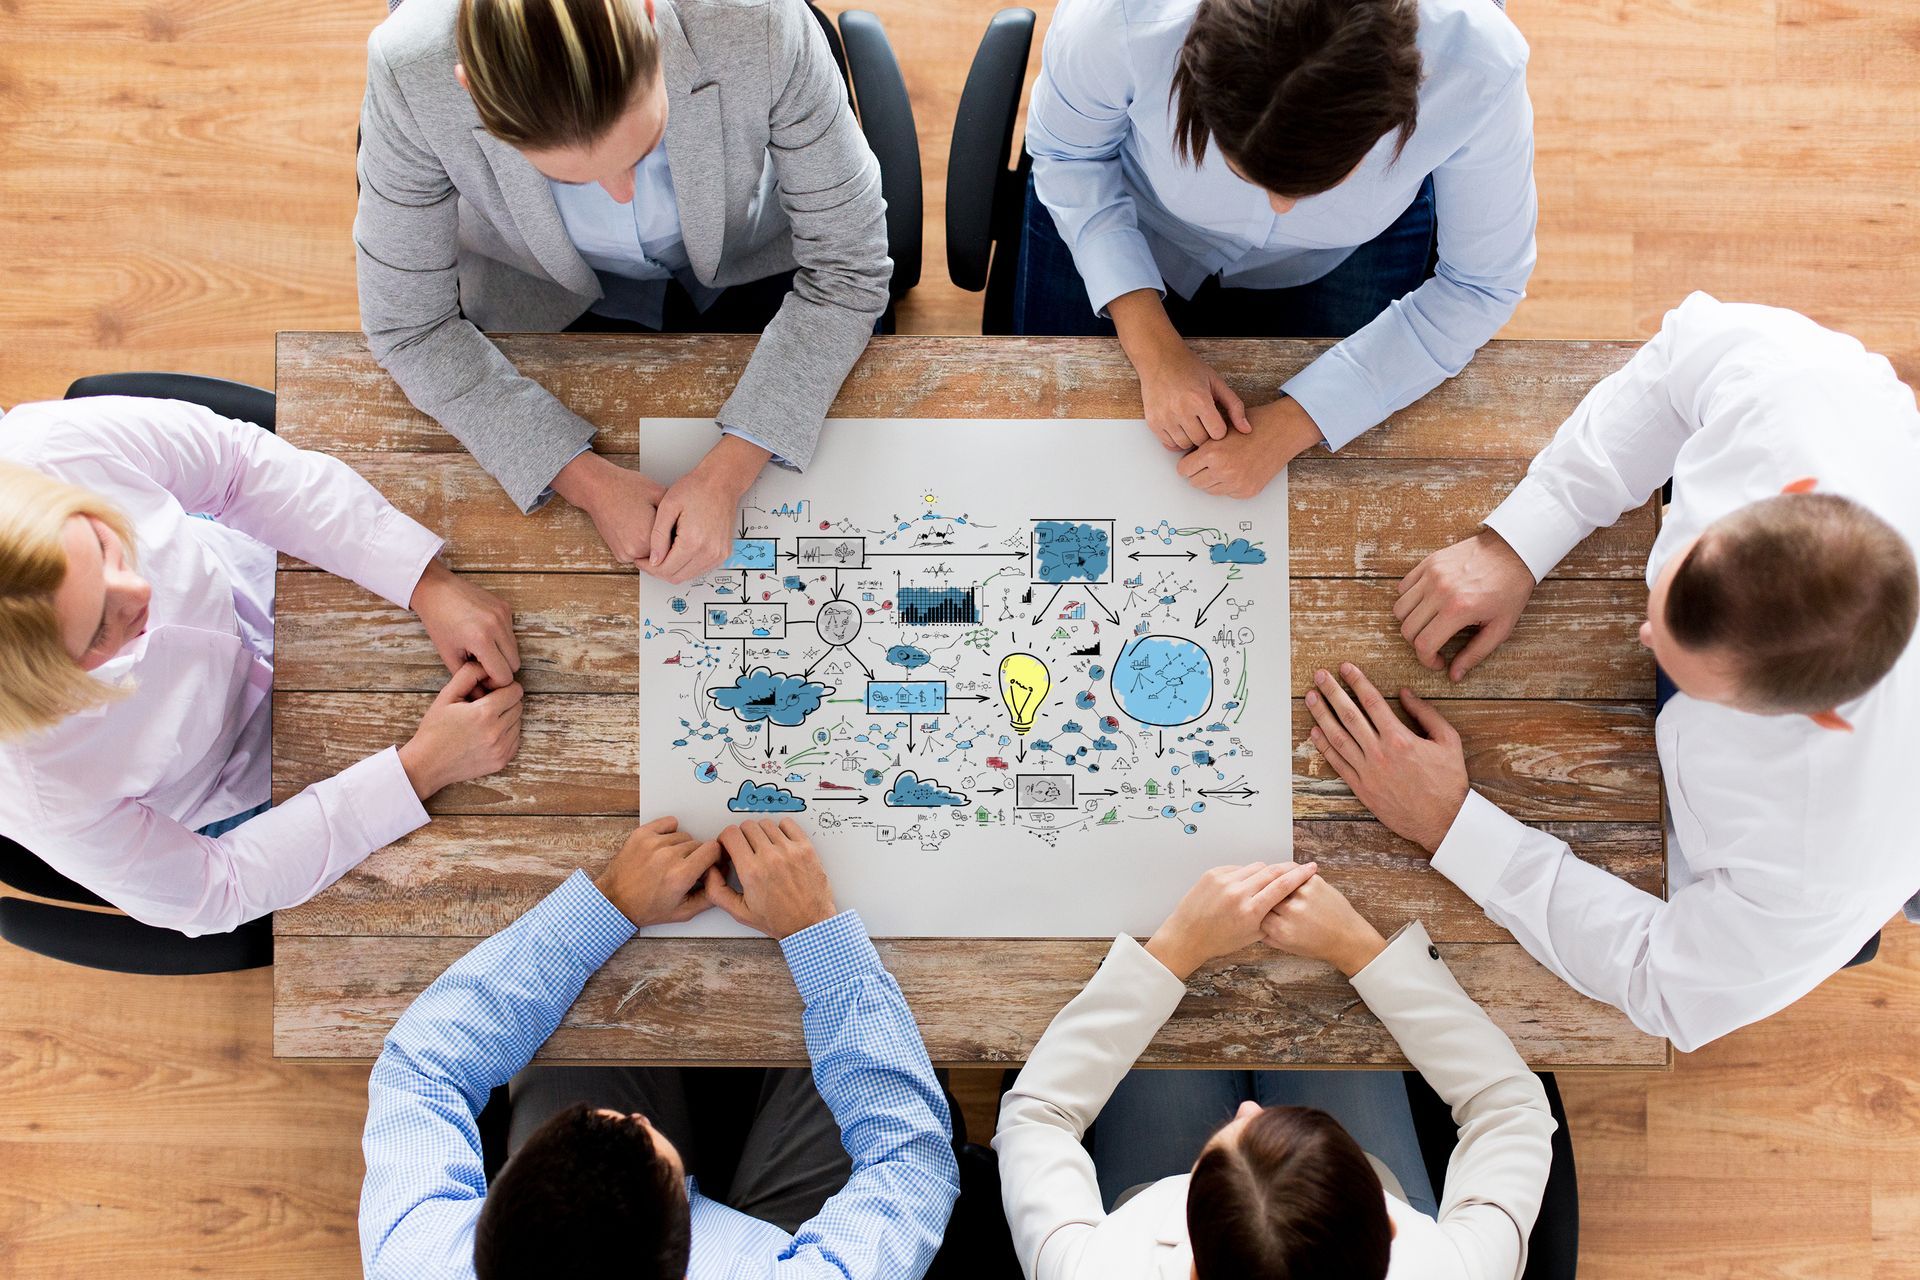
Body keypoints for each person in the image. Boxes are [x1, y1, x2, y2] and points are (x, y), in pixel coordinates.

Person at [1302, 293, 1920, 1051]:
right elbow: (1674, 369)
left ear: (1818, 715)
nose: (1640, 630)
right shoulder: (1795, 394)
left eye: (1681, 664)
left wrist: (1451, 824)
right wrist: (1525, 538)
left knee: (1798, 946)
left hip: (1830, 857)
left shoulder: (1824, 861)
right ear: (1787, 493)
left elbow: (1662, 982)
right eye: (1667, 593)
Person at [355, 0, 890, 584]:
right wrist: (584, 480)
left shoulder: (755, 16)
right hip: (541, 294)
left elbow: (847, 267)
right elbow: (411, 328)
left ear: (652, 17)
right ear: (472, 91)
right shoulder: (408, 66)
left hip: (745, 261)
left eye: (643, 147)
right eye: (569, 177)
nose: (619, 194)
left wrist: (729, 472)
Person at [0, 394, 523, 936]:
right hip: (241, 784)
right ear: (50, 689)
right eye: (100, 626)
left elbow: (236, 468)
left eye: (105, 545)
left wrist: (423, 580)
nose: (142, 589)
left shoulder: (47, 447)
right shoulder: (35, 787)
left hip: (262, 571)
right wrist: (420, 770)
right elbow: (216, 890)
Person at [360, 815, 961, 1279]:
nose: (637, 1119)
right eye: (645, 1136)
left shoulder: (418, 1258)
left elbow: (421, 1067)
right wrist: (816, 935)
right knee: (891, 1018)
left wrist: (609, 903)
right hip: (774, 1246)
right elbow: (912, 1163)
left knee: (580, 1012)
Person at [1019, 0, 1535, 498]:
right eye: (1243, 169)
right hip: (1132, 208)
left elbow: (1479, 284)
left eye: (1319, 185)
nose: (1282, 208)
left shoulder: (1479, 63)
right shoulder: (1119, 16)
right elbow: (1069, 154)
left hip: (1343, 255)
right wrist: (1152, 349)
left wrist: (1293, 425)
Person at [995, 860, 1555, 1279]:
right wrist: (1358, 948)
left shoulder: (1100, 1271)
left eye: (1224, 1141)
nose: (1251, 1111)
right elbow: (1512, 1112)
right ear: (1389, 1229)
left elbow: (1038, 1117)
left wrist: (1175, 949)